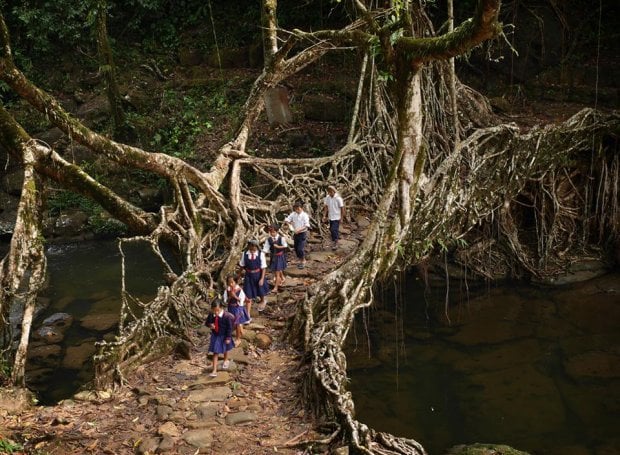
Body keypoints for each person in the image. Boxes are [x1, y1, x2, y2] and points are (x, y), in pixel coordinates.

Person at [205, 298, 235, 377]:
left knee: (225, 349)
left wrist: (228, 337)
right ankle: (214, 370)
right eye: (214, 310)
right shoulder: (211, 314)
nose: (216, 312)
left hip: (224, 335)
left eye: (217, 310)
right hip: (216, 335)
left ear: (221, 308)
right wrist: (210, 325)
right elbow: (207, 323)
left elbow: (229, 328)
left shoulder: (227, 316)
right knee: (215, 352)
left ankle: (226, 360)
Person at [238, 238, 269, 313]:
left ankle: (263, 300)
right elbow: (242, 265)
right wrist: (238, 276)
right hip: (248, 275)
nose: (253, 248)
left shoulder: (260, 254)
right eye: (251, 246)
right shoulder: (245, 254)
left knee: (260, 289)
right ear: (248, 246)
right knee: (248, 293)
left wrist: (262, 278)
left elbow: (263, 267)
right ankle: (248, 313)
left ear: (257, 247)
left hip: (258, 274)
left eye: (254, 246)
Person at [223, 275, 250, 342]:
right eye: (229, 283)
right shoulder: (227, 291)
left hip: (238, 308)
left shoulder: (239, 290)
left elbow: (241, 301)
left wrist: (235, 297)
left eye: (232, 282)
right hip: (230, 308)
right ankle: (238, 330)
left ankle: (238, 339)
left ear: (235, 282)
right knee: (232, 321)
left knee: (237, 322)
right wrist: (230, 297)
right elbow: (225, 301)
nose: (231, 284)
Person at [284, 201, 310, 269]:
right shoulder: (293, 214)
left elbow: (306, 225)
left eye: (298, 209)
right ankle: (300, 259)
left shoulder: (305, 215)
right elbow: (287, 219)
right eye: (296, 209)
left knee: (300, 248)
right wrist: (288, 224)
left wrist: (299, 230)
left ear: (301, 208)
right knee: (296, 247)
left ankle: (303, 260)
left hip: (302, 233)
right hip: (295, 233)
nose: (297, 210)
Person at [262, 224, 287, 293]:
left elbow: (285, 246)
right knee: (276, 269)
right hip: (273, 256)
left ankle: (276, 287)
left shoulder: (281, 238)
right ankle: (283, 278)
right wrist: (262, 254)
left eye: (273, 232)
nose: (272, 234)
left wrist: (278, 247)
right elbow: (265, 248)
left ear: (277, 232)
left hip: (279, 256)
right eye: (271, 232)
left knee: (277, 272)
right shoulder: (269, 239)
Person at [322, 185, 346, 251]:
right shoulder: (327, 197)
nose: (330, 193)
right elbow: (326, 207)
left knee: (333, 229)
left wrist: (342, 218)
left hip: (337, 217)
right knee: (331, 230)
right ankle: (335, 240)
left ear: (333, 191)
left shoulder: (338, 198)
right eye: (328, 192)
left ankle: (336, 242)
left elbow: (342, 208)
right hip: (331, 217)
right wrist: (324, 216)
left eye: (331, 192)